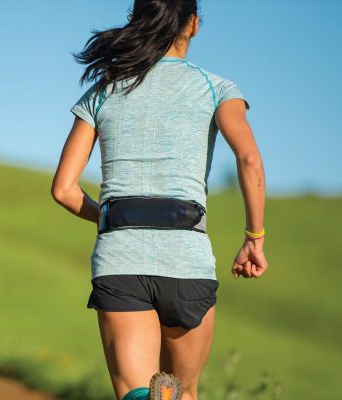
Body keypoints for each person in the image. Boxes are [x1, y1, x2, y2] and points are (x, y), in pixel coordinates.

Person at [51, 1, 268, 400]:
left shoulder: (104, 89)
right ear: (195, 25)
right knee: (184, 392)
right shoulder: (216, 88)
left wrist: (111, 219)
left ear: (136, 20)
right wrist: (254, 236)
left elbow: (64, 189)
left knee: (135, 393)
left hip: (120, 258)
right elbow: (249, 157)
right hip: (186, 258)